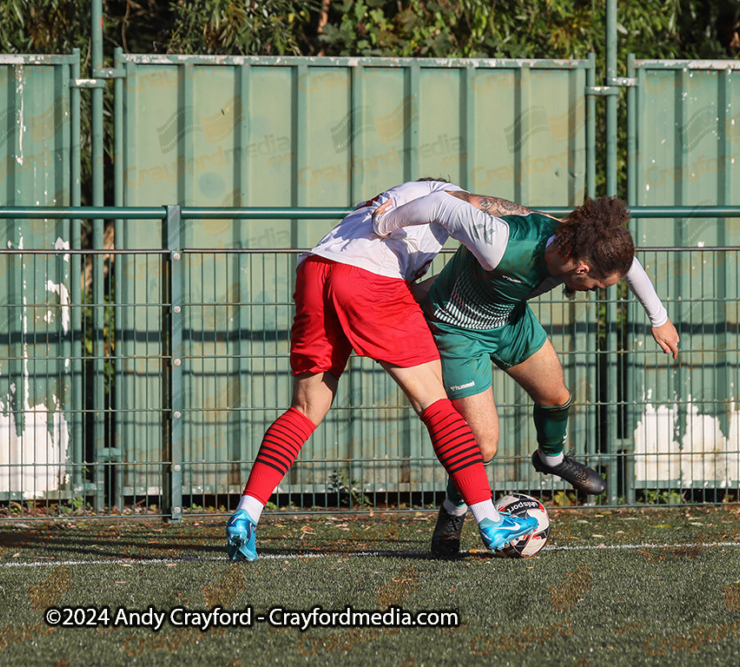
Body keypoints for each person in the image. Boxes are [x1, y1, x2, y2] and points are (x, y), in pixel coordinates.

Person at [225, 179, 539, 561]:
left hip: (315, 271)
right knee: (435, 404)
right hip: (369, 280)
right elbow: (474, 204)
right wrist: (548, 220)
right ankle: (490, 520)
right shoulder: (445, 194)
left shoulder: (386, 197)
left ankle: (247, 513)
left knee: (304, 410)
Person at [372, 190, 679, 557]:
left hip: (508, 319)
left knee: (556, 397)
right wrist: (384, 222)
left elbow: (625, 264)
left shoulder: (582, 241)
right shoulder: (499, 243)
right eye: (598, 287)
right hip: (459, 330)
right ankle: (451, 517)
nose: (596, 293)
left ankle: (550, 459)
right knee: (482, 445)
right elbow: (442, 204)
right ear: (581, 268)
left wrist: (659, 318)